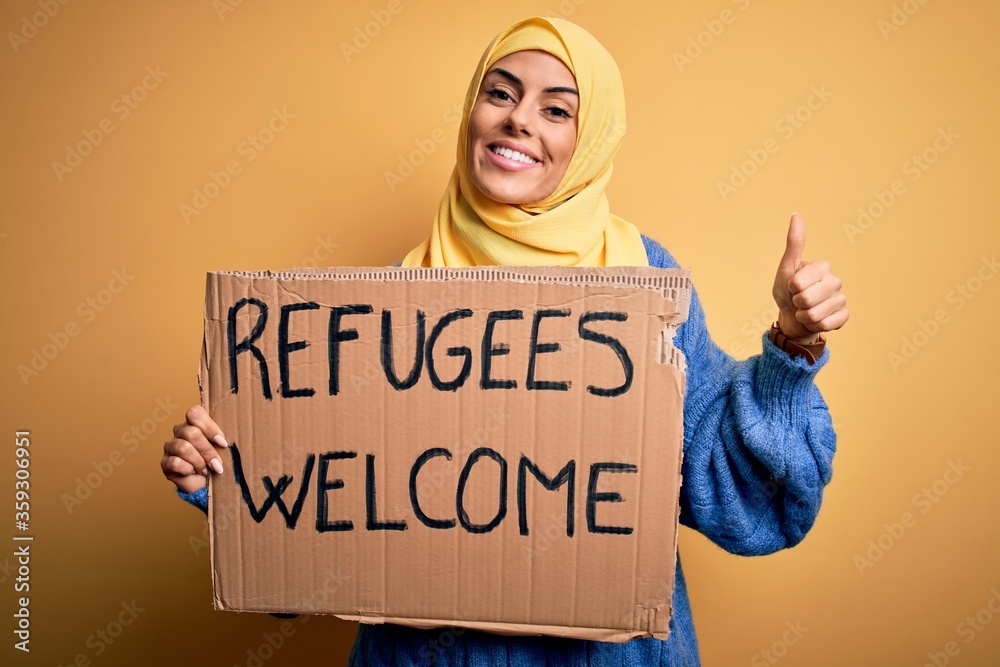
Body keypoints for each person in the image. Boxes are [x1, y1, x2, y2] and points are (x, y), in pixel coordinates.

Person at [161, 16, 848, 666]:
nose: (518, 118)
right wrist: (226, 477)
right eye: (500, 94)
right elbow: (333, 525)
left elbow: (736, 500)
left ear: (593, 138)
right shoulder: (398, 291)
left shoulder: (641, 280)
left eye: (557, 108)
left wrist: (792, 346)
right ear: (472, 113)